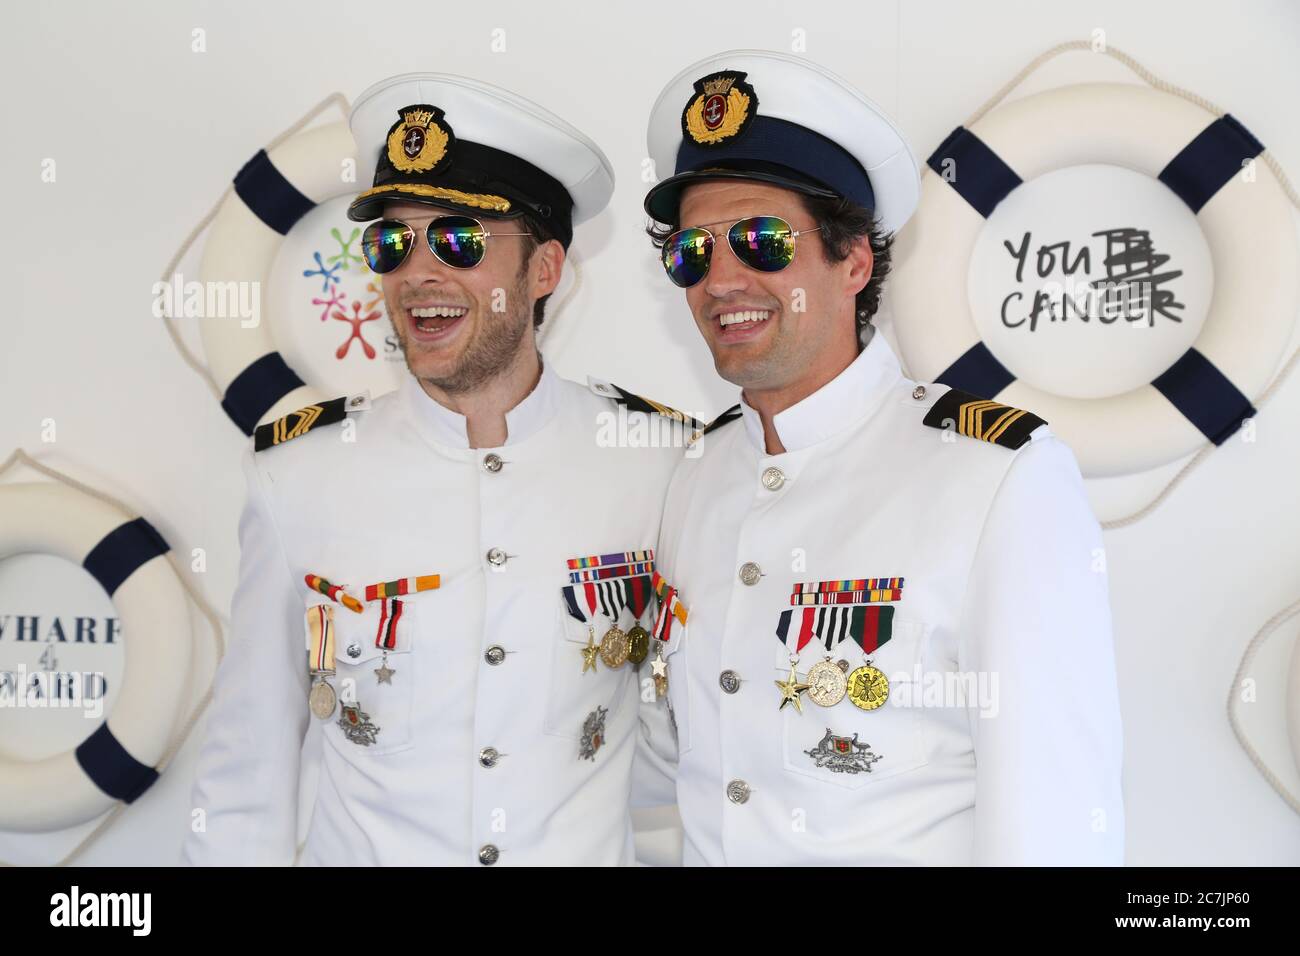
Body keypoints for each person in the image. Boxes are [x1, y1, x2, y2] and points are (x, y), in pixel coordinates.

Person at [183, 72, 693, 866]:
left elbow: (700, 734)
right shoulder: (300, 473)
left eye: (457, 239)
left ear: (545, 270)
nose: (417, 272)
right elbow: (247, 765)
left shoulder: (660, 462)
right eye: (393, 242)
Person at [638, 50, 1125, 865]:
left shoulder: (997, 476)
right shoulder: (693, 479)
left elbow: (1056, 819)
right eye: (693, 252)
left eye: (760, 240)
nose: (721, 278)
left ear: (854, 260)